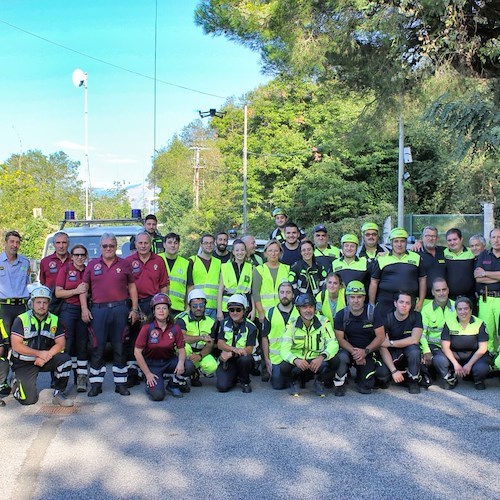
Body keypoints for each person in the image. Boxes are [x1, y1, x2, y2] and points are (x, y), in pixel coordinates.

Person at [81, 233, 139, 397]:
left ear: (116, 247)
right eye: (105, 246)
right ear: (100, 247)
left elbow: (132, 287)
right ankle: (96, 384)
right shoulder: (92, 265)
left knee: (120, 347)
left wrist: (134, 309)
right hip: (98, 311)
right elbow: (83, 289)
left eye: (111, 246)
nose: (108, 248)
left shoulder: (125, 264)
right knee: (97, 348)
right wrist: (84, 309)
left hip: (120, 310)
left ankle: (121, 384)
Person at [9, 285, 73, 406]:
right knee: (28, 400)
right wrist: (39, 354)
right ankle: (15, 381)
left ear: (49, 304)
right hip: (23, 362)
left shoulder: (55, 320)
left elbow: (61, 344)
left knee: (65, 360)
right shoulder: (21, 319)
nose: (41, 306)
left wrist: (45, 356)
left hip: (44, 359)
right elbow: (16, 345)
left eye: (45, 302)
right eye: (38, 302)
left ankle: (59, 393)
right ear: (31, 303)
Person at [125, 232, 169, 386]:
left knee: (153, 338)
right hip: (134, 304)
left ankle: (149, 371)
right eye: (140, 243)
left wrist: (164, 305)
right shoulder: (128, 261)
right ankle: (132, 372)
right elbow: (125, 287)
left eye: (146, 243)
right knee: (134, 338)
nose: (143, 246)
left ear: (150, 244)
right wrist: (134, 308)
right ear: (135, 244)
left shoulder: (159, 260)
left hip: (154, 303)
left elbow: (164, 285)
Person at [134, 293, 195, 401]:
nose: (161, 311)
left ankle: (173, 385)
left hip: (168, 361)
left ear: (168, 311)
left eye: (164, 308)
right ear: (154, 311)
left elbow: (181, 349)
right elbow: (137, 352)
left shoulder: (175, 328)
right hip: (152, 364)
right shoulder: (147, 328)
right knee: (158, 396)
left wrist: (180, 363)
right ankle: (149, 383)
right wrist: (148, 374)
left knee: (188, 366)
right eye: (158, 308)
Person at [332, 281, 385, 396]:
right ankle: (340, 383)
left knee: (368, 386)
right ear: (347, 298)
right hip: (349, 350)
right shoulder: (341, 315)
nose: (356, 300)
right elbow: (340, 339)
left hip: (368, 351)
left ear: (364, 297)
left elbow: (381, 337)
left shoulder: (373, 313)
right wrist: (356, 353)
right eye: (352, 297)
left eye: (359, 297)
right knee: (341, 358)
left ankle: (363, 377)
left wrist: (365, 352)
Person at [280, 294, 338, 397]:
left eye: (311, 306)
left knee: (336, 360)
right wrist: (295, 360)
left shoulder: (324, 322)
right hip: (299, 361)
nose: (308, 310)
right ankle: (294, 382)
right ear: (298, 309)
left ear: (315, 308)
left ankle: (320, 381)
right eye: (304, 307)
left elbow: (333, 343)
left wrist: (322, 356)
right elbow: (284, 349)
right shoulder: (292, 324)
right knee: (284, 366)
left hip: (316, 361)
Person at [55, 244, 89, 392]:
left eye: (82, 255)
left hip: (85, 311)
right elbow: (58, 293)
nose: (79, 257)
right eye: (76, 255)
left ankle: (81, 378)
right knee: (66, 345)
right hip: (68, 310)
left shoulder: (89, 270)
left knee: (82, 345)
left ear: (86, 256)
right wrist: (75, 291)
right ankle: (61, 379)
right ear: (72, 256)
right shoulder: (65, 270)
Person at [369, 227, 427, 315]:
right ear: (391, 243)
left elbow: (422, 280)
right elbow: (374, 282)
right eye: (396, 241)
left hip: (408, 302)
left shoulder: (416, 257)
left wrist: (421, 301)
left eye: (402, 241)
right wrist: (372, 304)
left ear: (406, 242)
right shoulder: (382, 258)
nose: (399, 244)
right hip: (385, 302)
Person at [376, 291, 423, 394]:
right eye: (401, 302)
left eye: (407, 303)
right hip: (391, 353)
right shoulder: (386, 318)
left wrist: (391, 343)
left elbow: (414, 339)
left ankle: (413, 380)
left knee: (415, 350)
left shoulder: (416, 316)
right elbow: (383, 346)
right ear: (395, 303)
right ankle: (397, 374)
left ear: (411, 305)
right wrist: (393, 371)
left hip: (408, 351)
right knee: (381, 377)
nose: (404, 305)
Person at [0, 230, 30, 395]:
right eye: (12, 242)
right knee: (3, 346)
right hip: (3, 308)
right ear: (6, 242)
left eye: (17, 242)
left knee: (21, 344)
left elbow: (28, 283)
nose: (14, 245)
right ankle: (2, 382)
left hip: (21, 308)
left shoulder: (25, 262)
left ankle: (18, 379)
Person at [440, 296, 491, 390]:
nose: (463, 312)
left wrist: (469, 365)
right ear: (456, 310)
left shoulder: (479, 323)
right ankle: (452, 378)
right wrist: (455, 364)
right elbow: (445, 347)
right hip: (456, 356)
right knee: (439, 360)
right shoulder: (449, 323)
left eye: (466, 308)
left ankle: (477, 379)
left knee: (482, 368)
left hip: (474, 356)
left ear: (471, 309)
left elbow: (483, 348)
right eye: (460, 309)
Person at [420, 278, 457, 389]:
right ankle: (447, 376)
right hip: (434, 346)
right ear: (432, 292)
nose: (441, 293)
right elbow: (421, 333)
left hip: (454, 346)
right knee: (440, 361)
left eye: (444, 289)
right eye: (438, 290)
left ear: (448, 290)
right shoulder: (426, 310)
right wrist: (426, 351)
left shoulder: (457, 307)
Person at [216, 294, 257, 393]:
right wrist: (233, 349)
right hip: (227, 360)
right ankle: (234, 377)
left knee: (246, 359)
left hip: (241, 358)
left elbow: (249, 349)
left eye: (238, 310)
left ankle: (245, 382)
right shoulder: (223, 323)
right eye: (231, 310)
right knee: (222, 387)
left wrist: (232, 353)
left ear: (244, 311)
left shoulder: (251, 327)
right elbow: (220, 344)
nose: (234, 312)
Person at [176, 289, 218, 386]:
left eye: (201, 305)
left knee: (212, 366)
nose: (198, 308)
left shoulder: (211, 321)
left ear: (205, 306)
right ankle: (183, 374)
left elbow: (210, 343)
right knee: (184, 347)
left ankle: (195, 372)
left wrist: (200, 356)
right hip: (186, 351)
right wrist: (201, 337)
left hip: (200, 352)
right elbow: (182, 338)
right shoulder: (182, 319)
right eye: (195, 306)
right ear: (190, 306)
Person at [261, 282, 298, 390]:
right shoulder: (270, 313)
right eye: (282, 292)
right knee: (278, 385)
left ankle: (296, 378)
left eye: (288, 292)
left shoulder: (299, 312)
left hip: (295, 355)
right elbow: (264, 337)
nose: (285, 295)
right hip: (277, 358)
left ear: (293, 294)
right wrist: (267, 360)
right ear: (278, 294)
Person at [474, 227, 500, 356]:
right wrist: (496, 277)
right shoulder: (484, 254)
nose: (496, 240)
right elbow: (478, 278)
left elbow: (482, 275)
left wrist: (486, 274)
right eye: (494, 237)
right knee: (487, 330)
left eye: (499, 237)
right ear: (490, 239)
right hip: (485, 298)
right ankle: (488, 357)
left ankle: (498, 360)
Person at [252, 240, 291, 322]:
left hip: (283, 311)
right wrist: (260, 312)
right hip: (265, 312)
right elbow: (255, 293)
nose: (273, 253)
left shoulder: (287, 269)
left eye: (276, 251)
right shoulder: (259, 270)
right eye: (270, 251)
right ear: (265, 253)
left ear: (280, 253)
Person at [187, 234, 222, 320]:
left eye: (211, 243)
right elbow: (189, 285)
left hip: (214, 307)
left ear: (214, 245)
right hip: (197, 307)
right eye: (206, 243)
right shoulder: (192, 261)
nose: (209, 245)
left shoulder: (219, 263)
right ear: (201, 245)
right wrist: (188, 306)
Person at [217, 239, 253, 320]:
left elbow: (252, 292)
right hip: (227, 307)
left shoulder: (250, 267)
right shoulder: (225, 267)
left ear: (245, 251)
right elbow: (220, 290)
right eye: (237, 250)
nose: (240, 252)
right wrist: (219, 311)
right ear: (233, 252)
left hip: (244, 306)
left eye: (242, 250)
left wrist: (253, 310)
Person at [413, 226, 447, 306]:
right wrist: (383, 254)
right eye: (427, 236)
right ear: (423, 237)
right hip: (422, 300)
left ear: (437, 238)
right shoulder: (416, 253)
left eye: (433, 236)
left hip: (442, 299)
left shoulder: (443, 251)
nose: (430, 238)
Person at [159, 233, 190, 317]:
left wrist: (188, 307)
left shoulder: (185, 263)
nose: (173, 245)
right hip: (159, 307)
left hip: (178, 309)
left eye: (175, 243)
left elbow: (189, 287)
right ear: (164, 244)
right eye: (169, 242)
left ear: (179, 245)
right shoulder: (156, 260)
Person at [39, 231, 70, 313]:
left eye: (64, 243)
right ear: (54, 244)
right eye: (58, 243)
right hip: (51, 304)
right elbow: (43, 282)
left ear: (68, 244)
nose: (61, 246)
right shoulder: (45, 262)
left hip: (70, 303)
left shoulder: (75, 261)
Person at [444, 228, 476, 306]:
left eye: (455, 239)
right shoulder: (443, 253)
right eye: (449, 240)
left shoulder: (472, 252)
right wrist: (418, 242)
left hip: (469, 298)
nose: (452, 242)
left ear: (461, 239)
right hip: (450, 299)